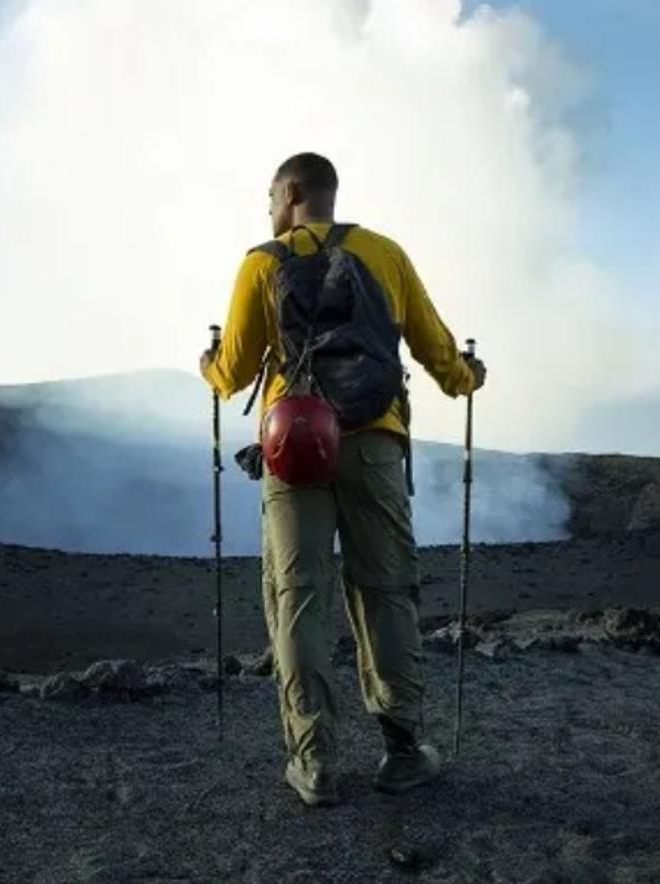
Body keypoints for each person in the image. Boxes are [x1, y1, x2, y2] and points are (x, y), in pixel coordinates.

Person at [200, 152, 486, 807]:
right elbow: (435, 348)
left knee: (298, 595)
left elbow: (235, 370)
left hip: (293, 445)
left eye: (272, 196)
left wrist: (208, 366)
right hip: (374, 444)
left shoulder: (261, 263)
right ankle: (403, 750)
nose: (268, 209)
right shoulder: (384, 254)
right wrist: (467, 378)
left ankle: (314, 762)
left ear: (293, 193)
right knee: (385, 591)